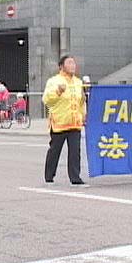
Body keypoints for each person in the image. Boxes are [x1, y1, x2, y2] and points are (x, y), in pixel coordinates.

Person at [42, 55, 87, 186]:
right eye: (69, 63)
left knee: (75, 151)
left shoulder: (78, 82)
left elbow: (81, 101)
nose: (73, 65)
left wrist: (83, 114)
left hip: (75, 122)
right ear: (61, 66)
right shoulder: (54, 81)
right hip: (59, 122)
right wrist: (58, 92)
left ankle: (75, 177)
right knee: (55, 150)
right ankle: (49, 175)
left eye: (73, 63)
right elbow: (47, 100)